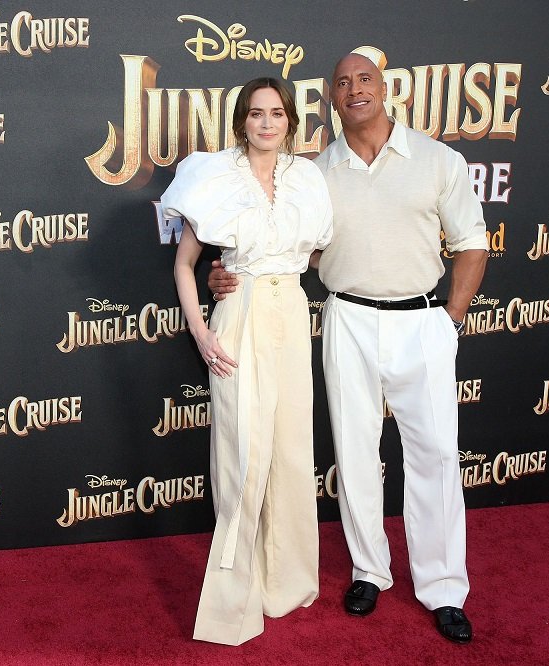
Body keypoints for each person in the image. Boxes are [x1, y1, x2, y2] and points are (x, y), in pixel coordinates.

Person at [208, 52, 488, 644]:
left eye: (364, 79)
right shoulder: (312, 173)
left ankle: (444, 588)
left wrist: (449, 322)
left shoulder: (438, 159)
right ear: (331, 98)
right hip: (347, 317)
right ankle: (369, 570)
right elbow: (287, 247)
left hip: (421, 319)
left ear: (384, 88)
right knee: (355, 452)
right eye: (342, 82)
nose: (354, 89)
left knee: (437, 456)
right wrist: (228, 270)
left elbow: (471, 243)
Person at [164, 77, 333, 646]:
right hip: (239, 314)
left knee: (290, 450)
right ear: (242, 121)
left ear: (290, 121)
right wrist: (200, 332)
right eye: (257, 113)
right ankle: (233, 601)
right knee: (241, 453)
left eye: (277, 113)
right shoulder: (213, 176)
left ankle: (285, 582)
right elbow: (185, 263)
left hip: (292, 313)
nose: (267, 123)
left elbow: (313, 256)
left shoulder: (307, 178)